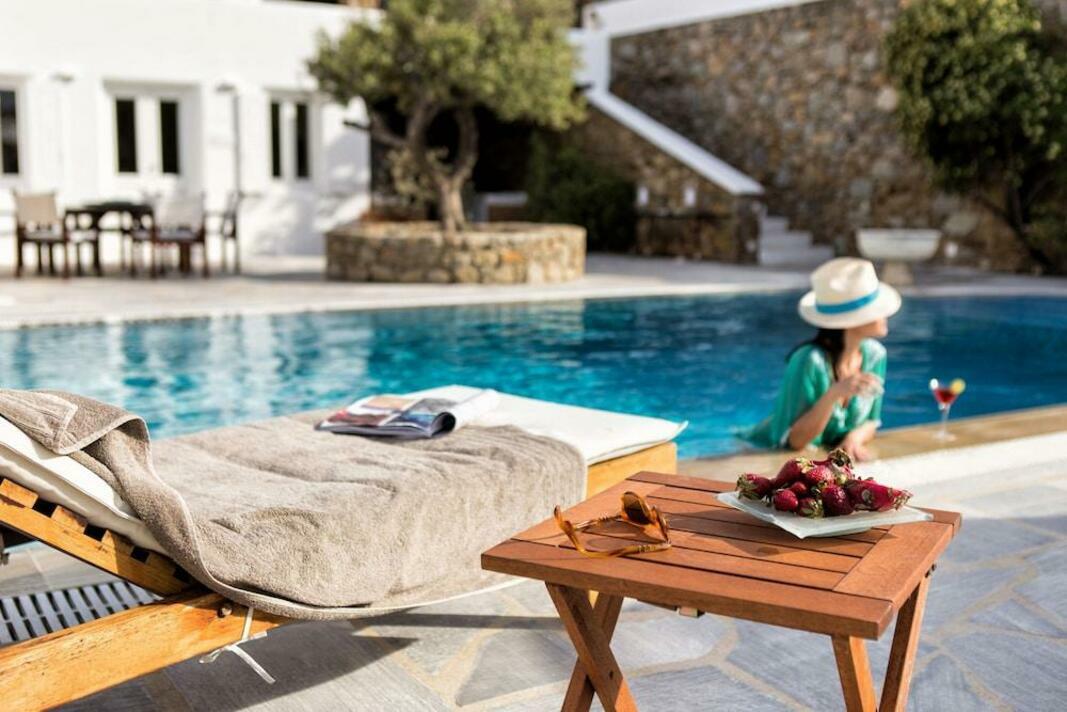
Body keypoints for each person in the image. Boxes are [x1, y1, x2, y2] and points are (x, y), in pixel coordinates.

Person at [741, 257, 901, 461]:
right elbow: (794, 442)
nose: (885, 314)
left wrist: (854, 439)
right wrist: (834, 393)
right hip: (758, 449)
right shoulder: (808, 361)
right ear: (853, 320)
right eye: (877, 309)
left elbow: (872, 421)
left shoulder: (875, 355)